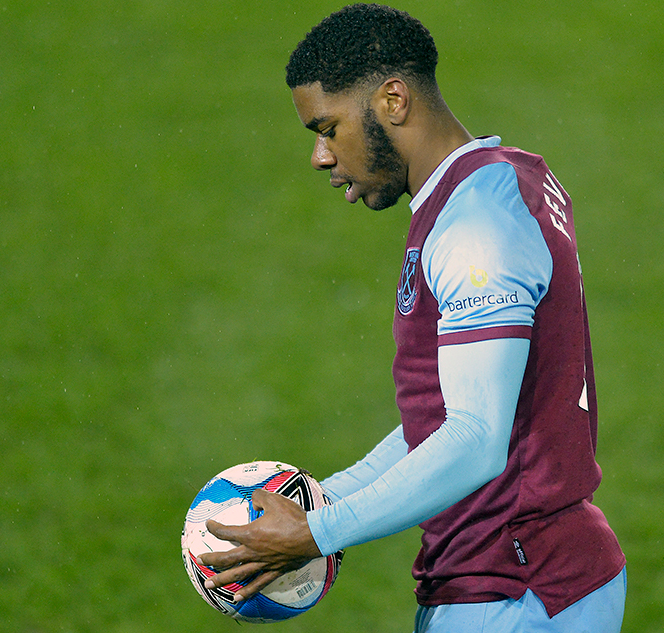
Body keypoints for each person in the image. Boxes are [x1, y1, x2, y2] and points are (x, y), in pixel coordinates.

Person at [198, 4, 627, 631]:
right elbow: (445, 416)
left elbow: (476, 439)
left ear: (393, 100)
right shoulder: (492, 185)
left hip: (516, 590)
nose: (320, 156)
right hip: (530, 580)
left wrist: (319, 530)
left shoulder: (477, 227)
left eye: (328, 127)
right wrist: (320, 500)